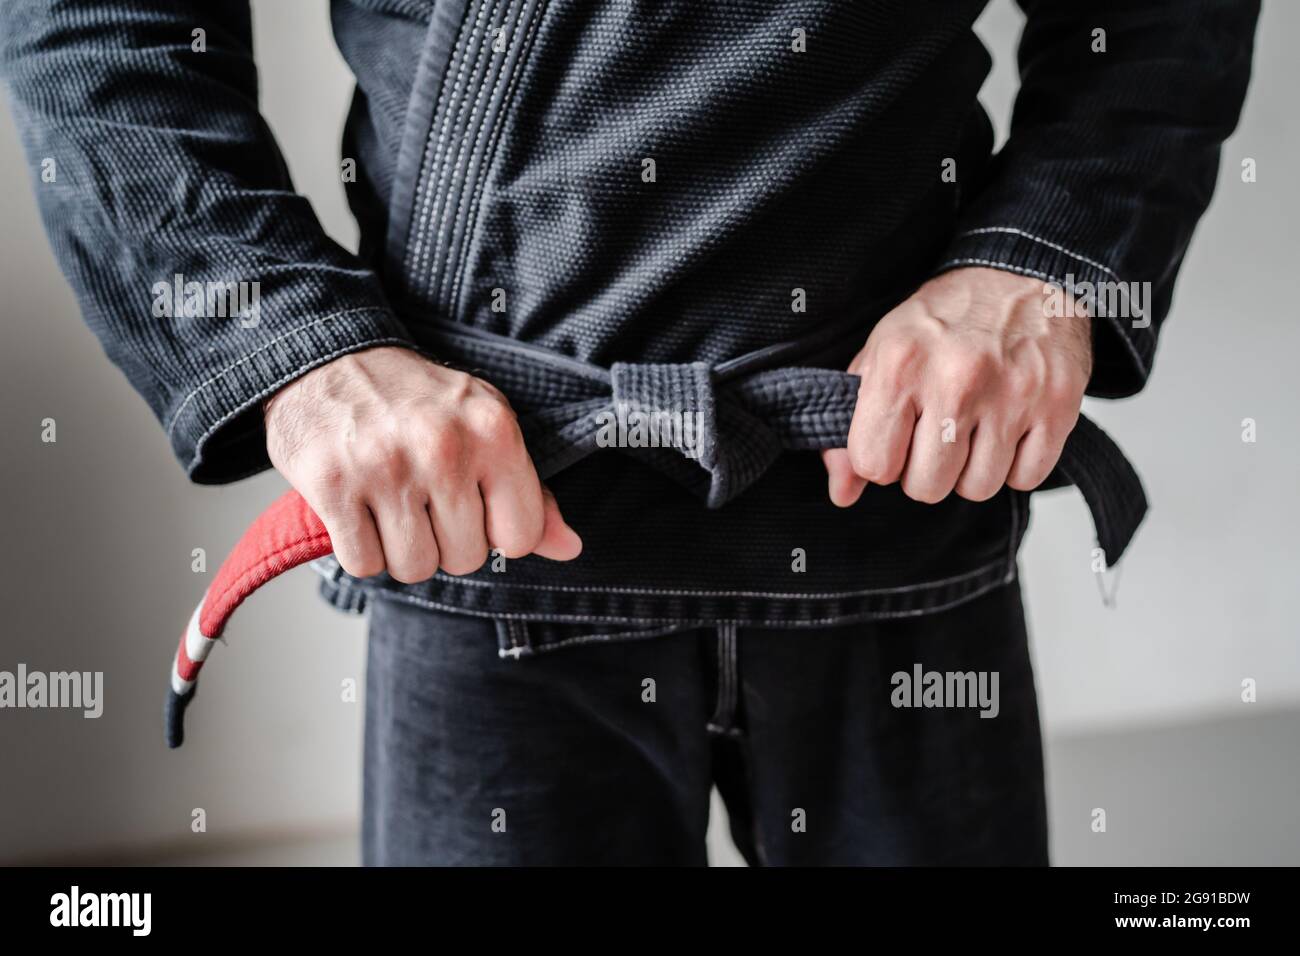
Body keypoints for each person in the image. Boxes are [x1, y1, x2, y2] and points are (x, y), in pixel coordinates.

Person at [0, 0, 1259, 865]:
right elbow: (101, 22)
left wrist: (1047, 262)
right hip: (478, 522)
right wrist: (295, 353)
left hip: (904, 482)